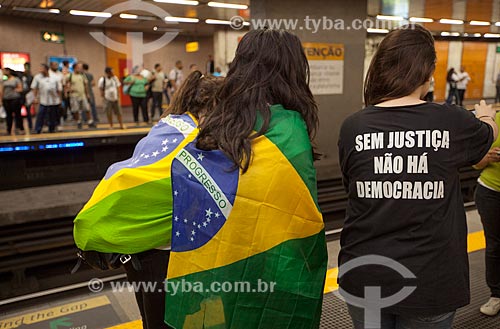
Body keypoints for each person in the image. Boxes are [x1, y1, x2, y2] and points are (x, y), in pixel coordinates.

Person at [338, 24, 498, 329]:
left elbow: (354, 189)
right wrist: (486, 115)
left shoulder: (353, 126)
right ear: (428, 72)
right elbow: (487, 138)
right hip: (429, 279)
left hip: (365, 275)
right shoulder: (450, 119)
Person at [164, 29, 327, 329]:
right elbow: (301, 214)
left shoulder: (214, 122)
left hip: (218, 269)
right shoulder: (291, 131)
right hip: (274, 267)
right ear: (291, 72)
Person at [74, 70, 222, 329]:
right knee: (166, 321)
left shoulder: (166, 125)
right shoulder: (197, 138)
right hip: (163, 253)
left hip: (135, 246)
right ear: (213, 105)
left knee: (149, 315)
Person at [474, 111, 500, 317]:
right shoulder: (495, 119)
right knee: (494, 245)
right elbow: (476, 163)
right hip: (490, 192)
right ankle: (496, 295)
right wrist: (487, 157)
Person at [32, 64, 63, 133]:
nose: (40, 70)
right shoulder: (37, 77)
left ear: (46, 69)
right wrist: (35, 97)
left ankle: (52, 129)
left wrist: (60, 99)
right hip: (43, 100)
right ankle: (38, 129)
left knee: (52, 115)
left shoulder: (55, 77)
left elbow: (59, 89)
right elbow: (34, 88)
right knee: (41, 114)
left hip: (54, 100)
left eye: (42, 69)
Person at [65, 63, 95, 129]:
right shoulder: (69, 76)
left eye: (80, 67)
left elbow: (85, 85)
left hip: (82, 95)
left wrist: (87, 94)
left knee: (87, 108)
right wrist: (68, 89)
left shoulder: (82, 75)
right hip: (74, 95)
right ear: (75, 68)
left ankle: (90, 121)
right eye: (78, 67)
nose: (80, 69)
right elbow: (65, 84)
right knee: (75, 110)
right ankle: (78, 121)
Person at [1, 68, 23, 135]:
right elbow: (2, 91)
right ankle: (8, 130)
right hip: (6, 100)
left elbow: (20, 88)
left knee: (17, 115)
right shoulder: (4, 80)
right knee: (8, 115)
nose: (3, 72)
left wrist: (14, 90)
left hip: (15, 99)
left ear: (9, 71)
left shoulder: (16, 79)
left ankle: (20, 129)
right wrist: (1, 100)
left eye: (5, 71)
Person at [49, 61, 65, 130]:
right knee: (51, 112)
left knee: (59, 111)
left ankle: (58, 124)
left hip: (59, 94)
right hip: (50, 95)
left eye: (57, 65)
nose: (56, 66)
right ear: (51, 65)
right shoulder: (48, 73)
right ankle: (51, 125)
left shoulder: (60, 74)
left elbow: (63, 84)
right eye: (54, 65)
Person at [21, 62, 34, 131]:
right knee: (18, 111)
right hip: (21, 94)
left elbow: (32, 86)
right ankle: (20, 127)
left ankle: (30, 125)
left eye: (28, 67)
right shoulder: (21, 75)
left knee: (28, 110)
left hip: (28, 94)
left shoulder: (31, 76)